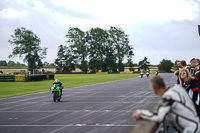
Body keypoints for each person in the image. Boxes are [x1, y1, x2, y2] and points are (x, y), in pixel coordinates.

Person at [132, 76, 200, 133]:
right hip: (194, 125)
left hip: (190, 129)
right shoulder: (175, 89)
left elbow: (159, 117)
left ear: (154, 88)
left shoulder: (168, 97)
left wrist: (141, 113)